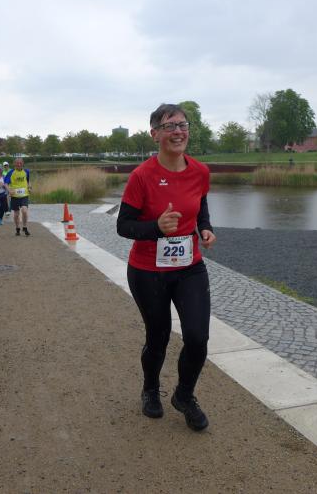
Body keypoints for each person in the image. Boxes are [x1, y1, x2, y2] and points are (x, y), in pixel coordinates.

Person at [116, 103, 216, 431]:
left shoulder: (200, 171)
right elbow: (123, 225)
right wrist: (156, 227)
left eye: (182, 125)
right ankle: (150, 389)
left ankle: (184, 395)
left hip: (190, 268)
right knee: (157, 337)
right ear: (154, 134)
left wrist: (204, 227)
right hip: (148, 271)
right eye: (169, 126)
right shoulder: (142, 176)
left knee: (198, 337)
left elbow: (200, 203)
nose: (178, 132)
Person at [4, 158, 32, 236]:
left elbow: (28, 181)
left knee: (24, 211)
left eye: (20, 163)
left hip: (24, 195)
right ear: (14, 164)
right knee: (16, 214)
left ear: (23, 163)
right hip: (15, 196)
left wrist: (30, 187)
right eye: (17, 163)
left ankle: (25, 227)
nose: (19, 164)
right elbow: (5, 183)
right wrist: (9, 190)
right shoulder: (10, 172)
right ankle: (17, 228)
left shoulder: (26, 171)